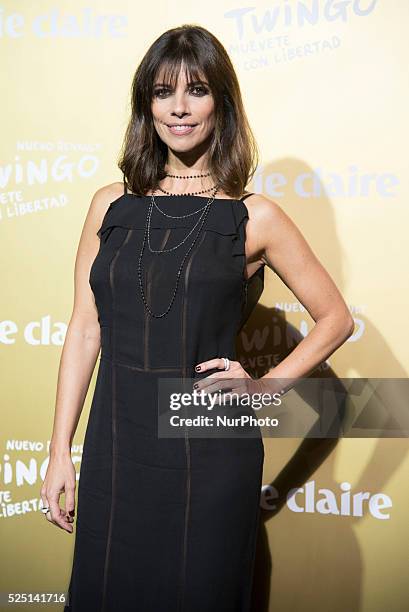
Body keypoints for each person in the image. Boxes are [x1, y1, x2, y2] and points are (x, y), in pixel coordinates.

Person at [40, 24, 354, 612]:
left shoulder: (253, 216)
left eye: (197, 90)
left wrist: (262, 389)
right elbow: (85, 328)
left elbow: (336, 318)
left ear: (222, 103)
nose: (179, 108)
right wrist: (61, 451)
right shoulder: (110, 204)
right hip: (117, 443)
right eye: (163, 92)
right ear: (146, 105)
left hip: (208, 448)